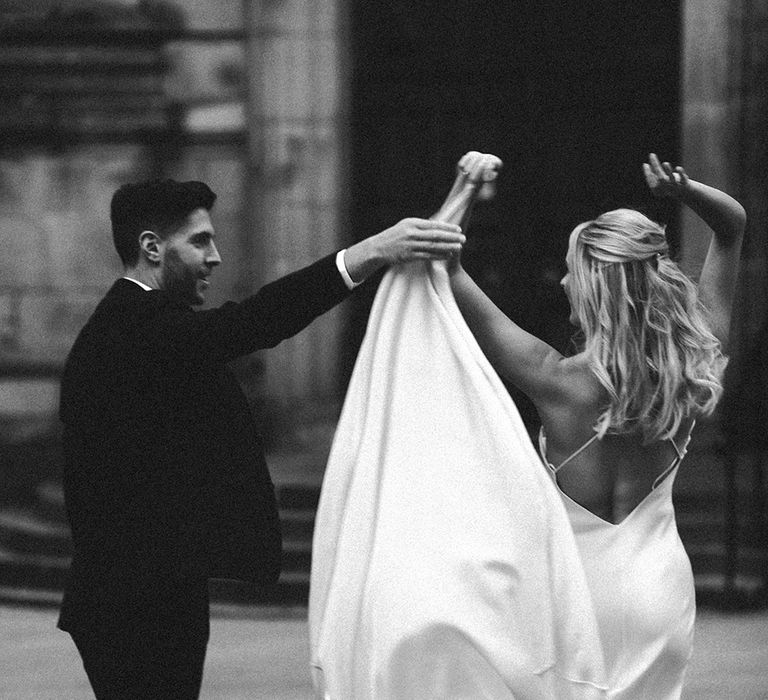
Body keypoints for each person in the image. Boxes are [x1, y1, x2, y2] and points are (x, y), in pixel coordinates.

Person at [57, 177, 465, 699]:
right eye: (200, 241)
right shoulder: (139, 329)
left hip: (143, 593)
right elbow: (257, 321)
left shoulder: (144, 325)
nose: (216, 257)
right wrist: (368, 254)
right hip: (135, 605)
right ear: (152, 248)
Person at [448, 151, 746, 698]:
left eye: (570, 270)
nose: (562, 280)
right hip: (658, 591)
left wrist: (466, 187)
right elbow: (732, 228)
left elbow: (444, 266)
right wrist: (684, 193)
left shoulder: (552, 378)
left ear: (591, 287)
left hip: (571, 595)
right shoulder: (694, 358)